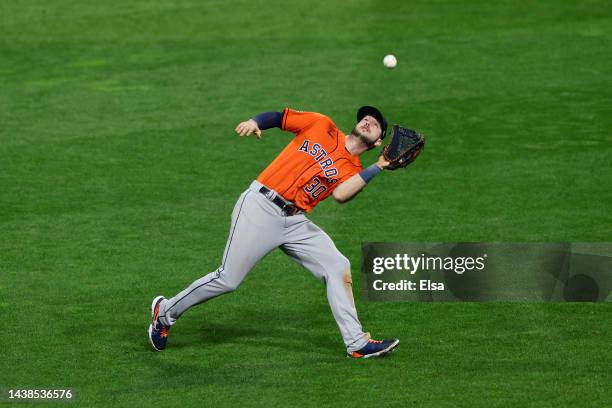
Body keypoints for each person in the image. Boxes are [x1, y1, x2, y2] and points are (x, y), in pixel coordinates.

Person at [148, 106, 399, 358]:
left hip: (294, 221)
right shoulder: (322, 125)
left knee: (337, 265)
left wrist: (380, 166)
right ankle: (165, 313)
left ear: (378, 142)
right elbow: (282, 117)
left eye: (375, 124)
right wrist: (255, 121)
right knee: (228, 279)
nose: (368, 121)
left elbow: (341, 195)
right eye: (366, 118)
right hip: (260, 206)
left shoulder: (354, 170)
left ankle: (356, 343)